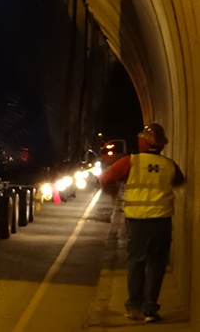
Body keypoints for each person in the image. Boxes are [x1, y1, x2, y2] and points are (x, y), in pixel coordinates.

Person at [99, 123, 185, 323]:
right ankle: (150, 309)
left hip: (137, 222)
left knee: (136, 262)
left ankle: (133, 306)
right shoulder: (169, 164)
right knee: (156, 264)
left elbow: (105, 179)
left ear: (141, 143)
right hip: (161, 222)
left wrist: (115, 188)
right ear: (161, 146)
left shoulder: (131, 162)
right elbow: (179, 181)